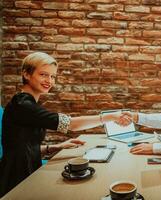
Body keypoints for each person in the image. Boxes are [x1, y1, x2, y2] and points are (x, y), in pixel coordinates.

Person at [0, 52, 130, 197]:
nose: (49, 80)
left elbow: (22, 145)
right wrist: (109, 117)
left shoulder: (26, 103)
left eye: (52, 76)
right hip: (17, 180)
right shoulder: (23, 105)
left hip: (26, 169)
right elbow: (70, 124)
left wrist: (55, 147)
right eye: (43, 74)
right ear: (26, 74)